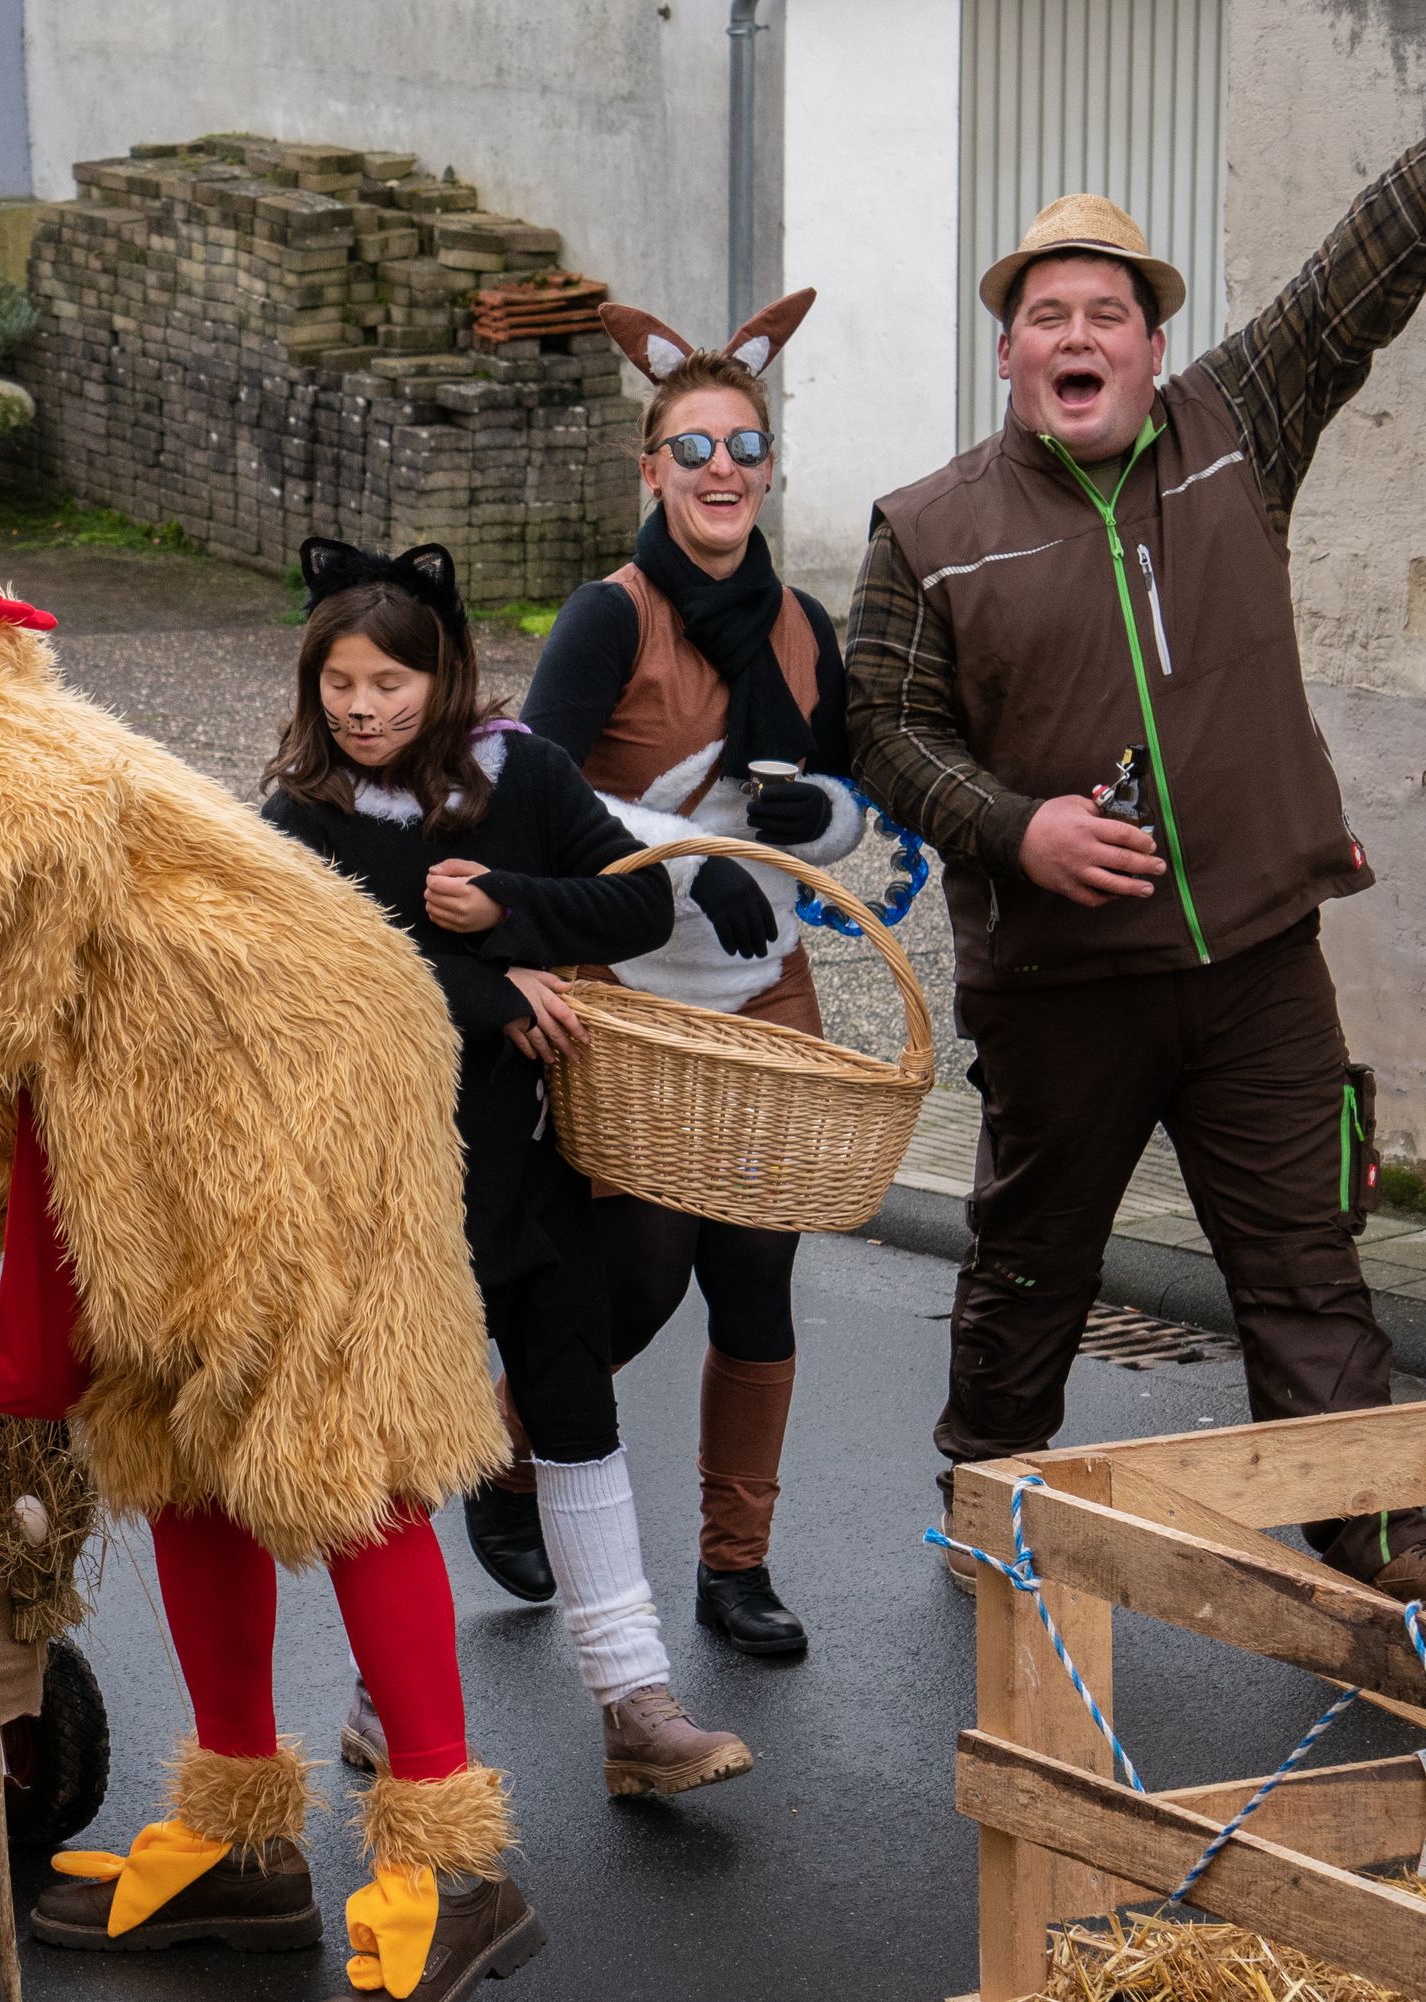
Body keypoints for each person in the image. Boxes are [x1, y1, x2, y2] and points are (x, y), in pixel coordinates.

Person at [0, 541, 539, 2002]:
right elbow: (18, 1068)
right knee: (178, 1455)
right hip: (136, 1133)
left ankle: (452, 1863)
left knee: (339, 1455)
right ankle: (244, 1833)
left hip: (282, 1117)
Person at [846, 148, 1426, 1598]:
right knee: (1031, 1271)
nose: (1080, 337)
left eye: (1109, 313)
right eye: (1050, 315)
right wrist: (1018, 826)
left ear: (1154, 346)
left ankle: (1376, 1527)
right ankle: (992, 1490)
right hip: (1061, 987)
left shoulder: (1241, 424)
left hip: (1257, 965)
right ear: (1007, 352)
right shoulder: (928, 528)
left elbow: (1366, 267)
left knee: (1310, 1266)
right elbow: (885, 731)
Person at [263, 537, 753, 1803]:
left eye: (390, 685)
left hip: (524, 1165)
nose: (364, 710)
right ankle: (387, 1701)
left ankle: (636, 1703)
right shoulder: (294, 818)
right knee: (412, 1444)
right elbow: (299, 986)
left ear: (447, 677)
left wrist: (513, 911)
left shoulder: (518, 773)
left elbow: (640, 907)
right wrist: (487, 985)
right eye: (341, 686)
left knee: (574, 1410)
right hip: (381, 1181)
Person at [513, 290, 862, 1660]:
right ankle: (499, 1454)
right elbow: (524, 777)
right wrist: (676, 853)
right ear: (650, 468)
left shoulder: (801, 625)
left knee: (759, 1285)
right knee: (643, 1280)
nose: (724, 470)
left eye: (746, 446)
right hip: (634, 991)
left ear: (770, 467)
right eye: (695, 448)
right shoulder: (612, 616)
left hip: (767, 983)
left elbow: (844, 790)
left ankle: (736, 1564)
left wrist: (813, 825)